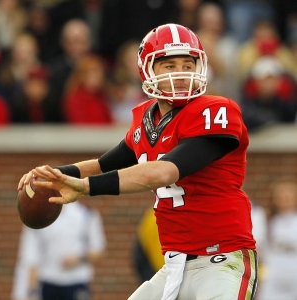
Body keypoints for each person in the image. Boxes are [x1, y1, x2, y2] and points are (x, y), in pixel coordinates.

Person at [18, 24, 258, 300]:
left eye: (187, 64)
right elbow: (104, 163)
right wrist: (53, 174)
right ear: (148, 70)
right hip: (173, 266)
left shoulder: (216, 110)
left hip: (222, 260)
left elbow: (165, 171)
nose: (181, 73)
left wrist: (85, 187)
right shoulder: (146, 119)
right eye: (169, 65)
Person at [12, 201, 106, 300]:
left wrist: (78, 259)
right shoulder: (38, 216)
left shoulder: (87, 214)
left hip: (77, 281)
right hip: (48, 281)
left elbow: (99, 250)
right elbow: (31, 257)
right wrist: (31, 291)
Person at [256, 179, 297, 300]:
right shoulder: (268, 222)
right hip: (273, 276)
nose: (285, 200)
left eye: (288, 197)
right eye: (281, 197)